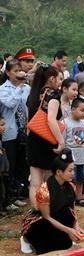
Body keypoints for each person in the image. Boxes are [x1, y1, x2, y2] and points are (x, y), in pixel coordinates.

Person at [20, 149, 84, 254]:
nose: (73, 173)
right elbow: (46, 217)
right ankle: (25, 239)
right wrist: (68, 230)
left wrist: (76, 226)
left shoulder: (71, 187)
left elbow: (72, 210)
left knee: (66, 219)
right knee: (47, 246)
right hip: (43, 220)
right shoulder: (44, 190)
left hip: (57, 218)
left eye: (73, 170)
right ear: (59, 172)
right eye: (70, 170)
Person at [26, 65, 64, 207]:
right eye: (58, 78)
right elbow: (50, 120)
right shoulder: (53, 95)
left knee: (35, 182)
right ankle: (47, 213)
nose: (60, 82)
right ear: (51, 78)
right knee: (48, 181)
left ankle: (36, 212)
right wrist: (61, 141)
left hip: (33, 139)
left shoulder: (33, 94)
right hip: (47, 140)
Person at [0, 59, 30, 209]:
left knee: (21, 164)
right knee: (10, 166)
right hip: (9, 132)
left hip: (23, 131)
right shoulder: (3, 89)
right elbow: (11, 104)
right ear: (7, 72)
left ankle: (18, 193)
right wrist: (19, 87)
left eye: (20, 70)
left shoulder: (26, 88)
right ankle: (9, 199)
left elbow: (28, 106)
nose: (19, 73)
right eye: (15, 71)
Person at [63, 98, 84, 207]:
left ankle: (79, 197)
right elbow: (62, 141)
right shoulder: (65, 123)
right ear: (73, 109)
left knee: (81, 178)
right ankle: (69, 198)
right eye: (82, 110)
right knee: (70, 179)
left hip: (83, 157)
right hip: (71, 158)